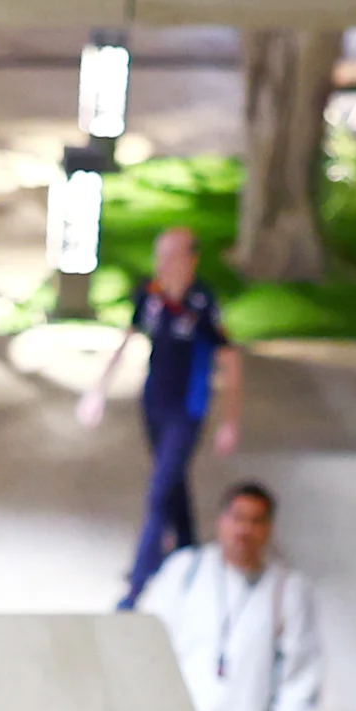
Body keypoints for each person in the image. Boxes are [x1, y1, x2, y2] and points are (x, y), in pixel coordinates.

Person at [76, 226, 243, 609]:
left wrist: (229, 420)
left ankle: (138, 581)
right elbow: (127, 337)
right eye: (159, 256)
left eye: (171, 256)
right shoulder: (149, 296)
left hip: (188, 410)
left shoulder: (202, 303)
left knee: (158, 491)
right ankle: (188, 551)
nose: (162, 265)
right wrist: (97, 391)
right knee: (173, 486)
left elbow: (230, 360)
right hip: (154, 405)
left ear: (191, 259)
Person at [136, 481, 321, 711]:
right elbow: (143, 641)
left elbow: (302, 669)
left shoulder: (287, 590)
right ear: (221, 521)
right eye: (238, 518)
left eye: (256, 521)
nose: (245, 530)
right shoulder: (186, 572)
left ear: (269, 529)